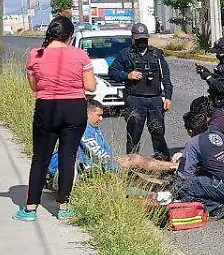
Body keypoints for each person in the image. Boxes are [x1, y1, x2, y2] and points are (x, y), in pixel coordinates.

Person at [17, 16, 96, 222]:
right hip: (74, 109)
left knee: (40, 158)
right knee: (67, 157)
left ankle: (30, 208)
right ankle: (63, 207)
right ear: (70, 36)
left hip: (46, 108)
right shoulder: (80, 56)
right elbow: (90, 86)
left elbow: (34, 87)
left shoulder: (35, 55)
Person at [47, 100, 178, 189]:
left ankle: (169, 175)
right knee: (133, 162)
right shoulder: (82, 128)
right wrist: (118, 166)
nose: (101, 119)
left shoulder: (93, 129)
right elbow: (98, 154)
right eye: (98, 115)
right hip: (79, 169)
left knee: (133, 164)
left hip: (92, 166)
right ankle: (172, 170)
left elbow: (105, 153)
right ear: (88, 113)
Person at [109, 22, 173, 160]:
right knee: (133, 135)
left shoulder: (157, 54)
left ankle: (163, 163)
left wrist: (168, 97)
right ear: (133, 38)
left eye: (144, 39)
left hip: (155, 100)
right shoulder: (125, 54)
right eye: (139, 39)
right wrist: (127, 75)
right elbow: (112, 71)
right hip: (135, 100)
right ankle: (132, 166)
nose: (142, 42)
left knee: (158, 132)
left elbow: (166, 77)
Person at [176, 105, 224, 220]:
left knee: (182, 187)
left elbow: (183, 175)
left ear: (190, 131)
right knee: (204, 178)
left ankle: (216, 206)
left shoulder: (193, 143)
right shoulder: (217, 134)